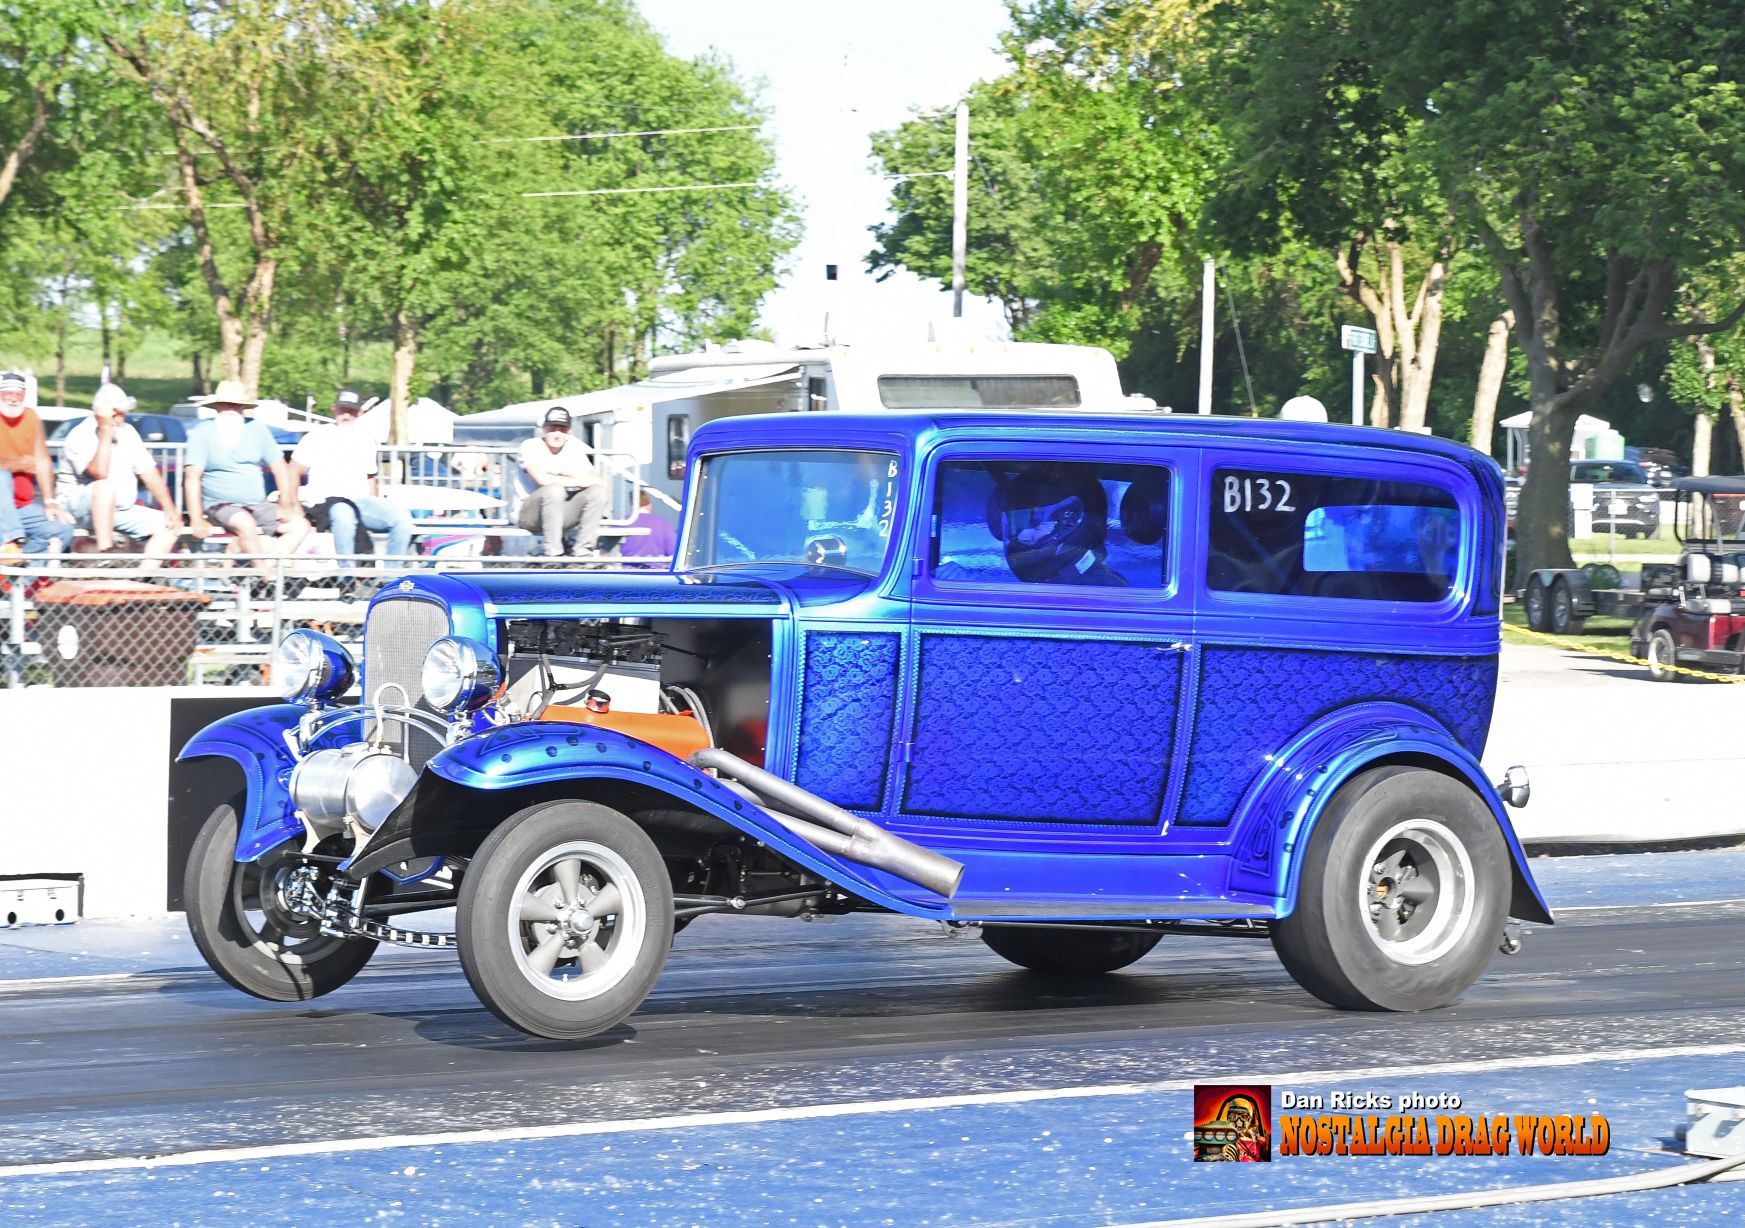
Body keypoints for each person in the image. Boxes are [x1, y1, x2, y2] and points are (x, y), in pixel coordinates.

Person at [184, 378, 309, 575]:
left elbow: (280, 468)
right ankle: (266, 578)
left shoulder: (257, 429)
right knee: (245, 523)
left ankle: (264, 568)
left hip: (257, 503)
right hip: (219, 504)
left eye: (236, 404)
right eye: (226, 403)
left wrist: (286, 504)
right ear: (216, 406)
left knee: (300, 525)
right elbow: (192, 477)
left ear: (243, 407)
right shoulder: (203, 432)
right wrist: (196, 518)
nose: (231, 408)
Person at [288, 389, 414, 568]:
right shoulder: (316, 436)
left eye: (352, 411)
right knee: (344, 516)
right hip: (327, 501)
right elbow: (293, 471)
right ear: (334, 409)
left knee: (402, 518)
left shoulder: (367, 438)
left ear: (360, 413)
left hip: (361, 501)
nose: (346, 415)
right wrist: (294, 505)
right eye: (342, 409)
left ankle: (389, 577)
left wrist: (375, 501)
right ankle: (348, 577)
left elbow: (370, 477)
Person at [56, 382, 181, 560]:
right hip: (76, 508)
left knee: (168, 526)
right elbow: (99, 473)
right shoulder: (81, 434)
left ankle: (142, 579)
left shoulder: (128, 432)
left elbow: (149, 473)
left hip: (119, 510)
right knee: (104, 487)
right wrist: (105, 430)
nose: (121, 417)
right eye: (116, 412)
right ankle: (105, 555)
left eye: (123, 412)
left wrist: (170, 510)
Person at [991, 465, 1127, 586]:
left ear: (1072, 522)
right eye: (1018, 524)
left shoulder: (1101, 593)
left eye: (1036, 524)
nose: (1022, 535)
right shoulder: (1057, 584)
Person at [0, 369, 75, 560]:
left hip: (22, 508)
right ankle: (11, 542)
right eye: (8, 393)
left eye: (18, 394)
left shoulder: (31, 418)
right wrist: (19, 464)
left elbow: (42, 461)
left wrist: (50, 502)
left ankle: (21, 584)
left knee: (61, 527)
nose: (13, 399)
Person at [515, 406, 606, 558]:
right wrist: (577, 480)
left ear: (568, 431)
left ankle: (583, 553)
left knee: (598, 492)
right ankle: (554, 554)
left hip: (561, 514)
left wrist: (562, 471)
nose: (557, 433)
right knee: (554, 490)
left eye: (562, 429)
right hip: (529, 515)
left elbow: (597, 481)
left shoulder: (574, 449)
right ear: (545, 429)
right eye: (553, 428)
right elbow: (542, 480)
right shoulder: (530, 446)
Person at [616, 489, 677, 567]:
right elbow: (673, 552)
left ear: (632, 505)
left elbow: (606, 551)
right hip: (656, 572)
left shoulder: (621, 523)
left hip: (627, 572)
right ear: (649, 504)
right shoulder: (664, 524)